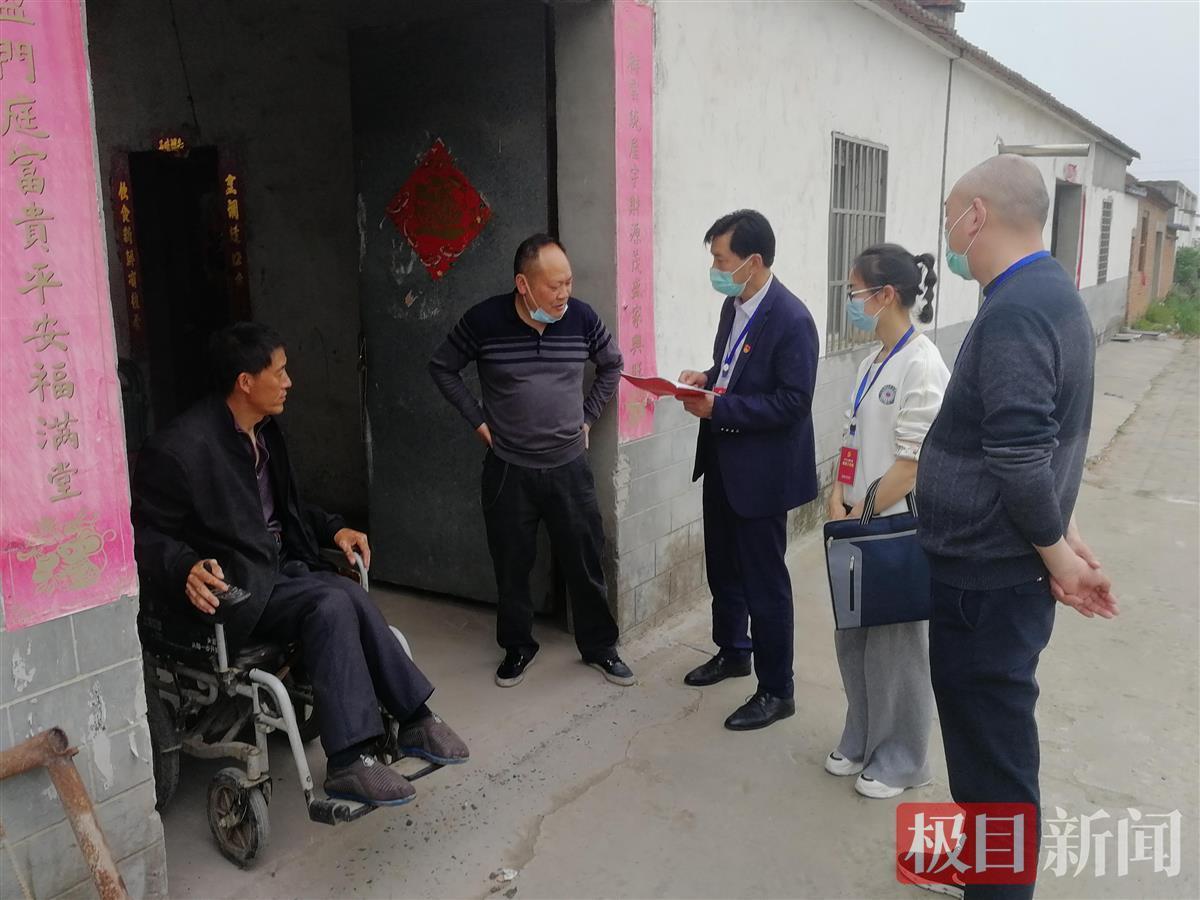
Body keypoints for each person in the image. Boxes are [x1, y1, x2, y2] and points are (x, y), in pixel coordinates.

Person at [132, 322, 469, 808]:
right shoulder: (181, 448)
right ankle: (355, 755)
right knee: (331, 601)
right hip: (237, 587)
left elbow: (289, 508)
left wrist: (334, 529)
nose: (289, 382)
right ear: (245, 381)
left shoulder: (266, 432)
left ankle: (412, 720)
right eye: (280, 371)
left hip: (281, 568)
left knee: (343, 592)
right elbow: (145, 533)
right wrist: (183, 566)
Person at [917, 155, 1118, 898]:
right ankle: (983, 870)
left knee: (992, 767)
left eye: (949, 217)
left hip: (987, 582)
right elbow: (1051, 438)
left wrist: (1060, 559)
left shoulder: (1016, 312)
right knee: (988, 753)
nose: (947, 234)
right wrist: (1064, 536)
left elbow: (1020, 454)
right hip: (1001, 570)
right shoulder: (1049, 292)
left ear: (977, 215)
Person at [429, 234, 634, 689]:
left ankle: (600, 647)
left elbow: (612, 364)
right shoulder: (484, 321)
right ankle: (518, 647)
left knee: (585, 560)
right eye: (553, 285)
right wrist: (477, 420)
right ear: (523, 284)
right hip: (508, 469)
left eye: (569, 282)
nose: (564, 294)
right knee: (512, 565)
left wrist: (588, 417)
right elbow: (442, 366)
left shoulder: (581, 318)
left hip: (569, 467)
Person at [677, 209, 819, 731]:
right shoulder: (732, 306)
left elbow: (792, 402)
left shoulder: (792, 320)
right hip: (722, 460)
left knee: (765, 583)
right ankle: (734, 650)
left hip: (762, 474)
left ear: (752, 261)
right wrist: (706, 377)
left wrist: (720, 407)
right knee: (723, 568)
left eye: (722, 260)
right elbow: (735, 370)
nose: (716, 269)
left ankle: (777, 690)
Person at [825, 243, 949, 800]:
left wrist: (863, 510)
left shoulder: (922, 363)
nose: (850, 300)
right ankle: (862, 737)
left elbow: (913, 461)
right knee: (853, 638)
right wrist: (838, 493)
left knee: (897, 649)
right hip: (856, 522)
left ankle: (902, 758)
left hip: (893, 527)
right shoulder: (871, 360)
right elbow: (853, 437)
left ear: (886, 295)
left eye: (855, 291)